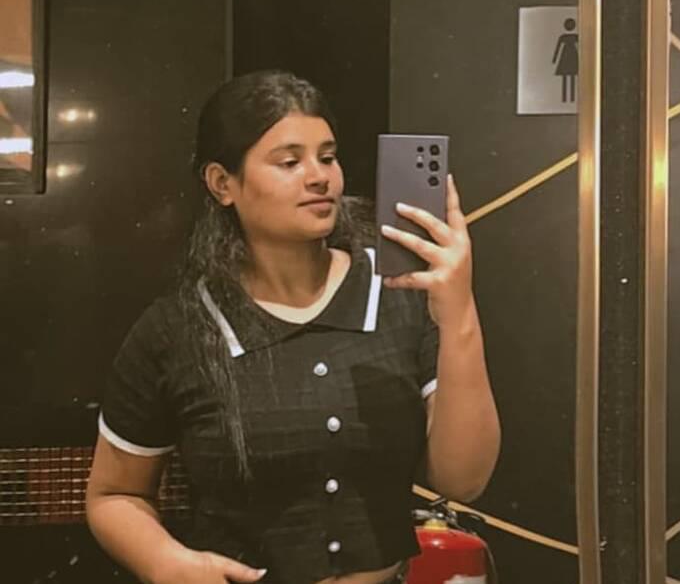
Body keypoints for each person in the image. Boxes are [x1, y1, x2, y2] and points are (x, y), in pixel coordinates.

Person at [85, 71, 500, 584]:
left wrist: (459, 312)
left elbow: (464, 479)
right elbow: (114, 494)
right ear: (222, 184)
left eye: (327, 157)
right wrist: (166, 563)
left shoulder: (400, 295)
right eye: (289, 162)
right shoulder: (180, 328)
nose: (319, 177)